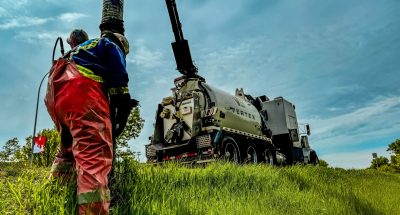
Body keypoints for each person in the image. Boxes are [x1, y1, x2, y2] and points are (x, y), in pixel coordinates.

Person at [45, 28, 132, 215]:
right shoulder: (110, 44)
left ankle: (55, 197)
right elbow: (119, 82)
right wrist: (123, 111)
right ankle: (93, 211)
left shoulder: (82, 48)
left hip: (55, 92)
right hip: (79, 91)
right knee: (93, 152)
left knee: (67, 150)